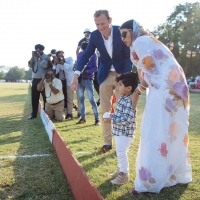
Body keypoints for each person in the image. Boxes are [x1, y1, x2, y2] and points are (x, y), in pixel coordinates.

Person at [119, 20, 192, 194]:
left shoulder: (139, 42)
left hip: (165, 90)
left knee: (154, 132)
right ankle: (175, 175)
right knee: (172, 131)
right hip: (176, 89)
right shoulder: (149, 40)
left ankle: (148, 184)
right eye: (120, 35)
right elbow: (152, 67)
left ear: (133, 31)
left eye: (124, 34)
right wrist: (139, 89)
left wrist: (139, 84)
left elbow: (149, 64)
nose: (122, 38)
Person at [71, 10, 132, 153]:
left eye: (103, 23)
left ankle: (122, 145)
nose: (100, 27)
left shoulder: (120, 31)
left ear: (110, 20)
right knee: (105, 111)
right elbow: (85, 56)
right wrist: (75, 75)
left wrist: (126, 76)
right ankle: (107, 143)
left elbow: (128, 55)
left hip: (121, 75)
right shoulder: (95, 36)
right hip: (105, 76)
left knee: (122, 111)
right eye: (97, 24)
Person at [103, 72, 138, 184]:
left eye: (120, 85)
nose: (117, 87)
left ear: (129, 88)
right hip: (119, 132)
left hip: (125, 133)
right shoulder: (123, 98)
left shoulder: (129, 101)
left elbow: (127, 119)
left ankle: (124, 175)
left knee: (122, 152)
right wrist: (112, 115)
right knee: (120, 152)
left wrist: (111, 120)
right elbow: (121, 115)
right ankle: (120, 170)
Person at [76, 42, 100, 126]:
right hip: (80, 79)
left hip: (88, 79)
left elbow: (96, 68)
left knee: (91, 100)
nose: (85, 50)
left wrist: (88, 71)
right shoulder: (80, 54)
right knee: (81, 100)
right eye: (84, 49)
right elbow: (78, 64)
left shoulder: (94, 55)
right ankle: (83, 118)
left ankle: (97, 119)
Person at [28, 44, 48, 120]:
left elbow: (45, 66)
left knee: (45, 97)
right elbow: (30, 65)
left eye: (39, 50)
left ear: (42, 50)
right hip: (35, 79)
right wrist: (33, 57)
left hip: (43, 79)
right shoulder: (34, 57)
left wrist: (40, 58)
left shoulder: (45, 56)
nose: (38, 51)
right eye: (37, 49)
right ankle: (34, 114)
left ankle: (46, 113)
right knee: (34, 97)